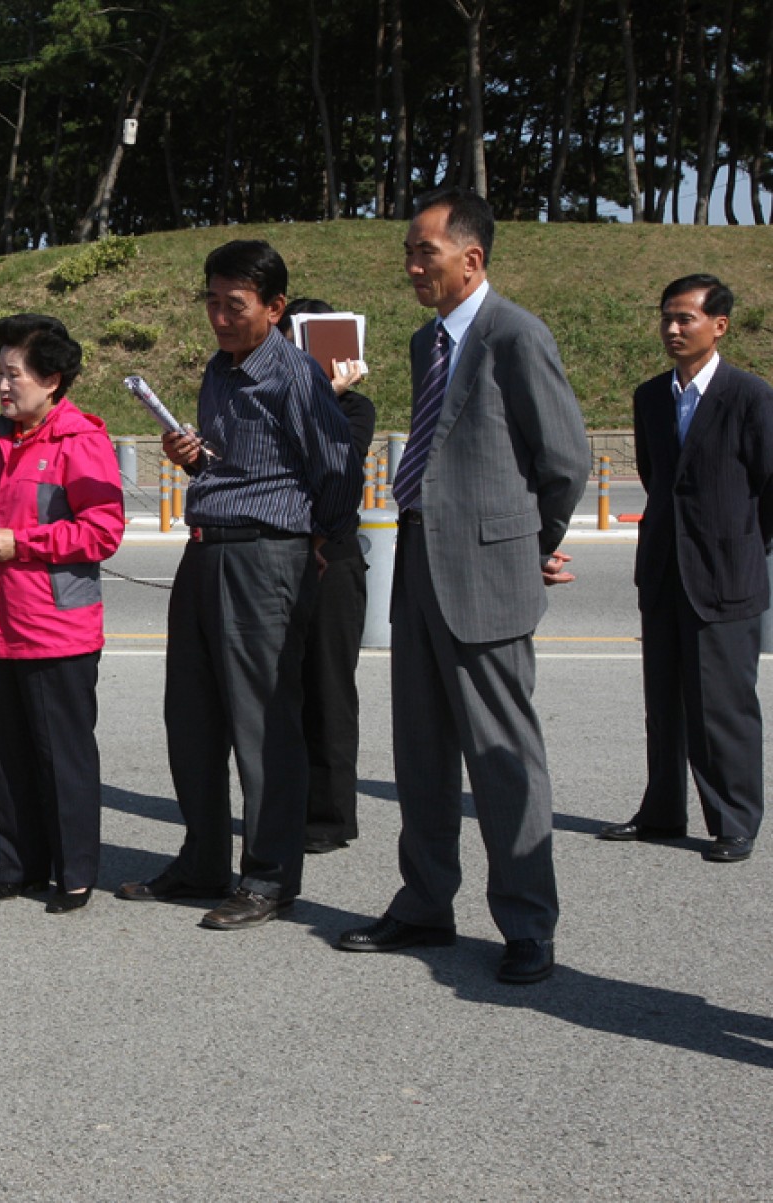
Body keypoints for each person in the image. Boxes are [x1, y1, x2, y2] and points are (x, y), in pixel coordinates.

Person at [336, 187, 588, 985]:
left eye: (425, 253)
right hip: (419, 564)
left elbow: (565, 461)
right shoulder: (426, 342)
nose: (412, 266)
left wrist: (527, 546)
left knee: (504, 757)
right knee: (420, 751)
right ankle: (425, 903)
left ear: (471, 258)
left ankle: (527, 922)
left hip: (487, 572)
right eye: (409, 253)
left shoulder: (516, 335)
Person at [115, 240, 359, 931]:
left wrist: (315, 545)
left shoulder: (295, 376)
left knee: (262, 724)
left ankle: (270, 875)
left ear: (276, 308)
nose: (220, 316)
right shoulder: (219, 372)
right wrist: (192, 460)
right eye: (212, 302)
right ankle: (201, 860)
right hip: (207, 550)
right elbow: (233, 466)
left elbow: (337, 470)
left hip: (264, 555)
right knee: (191, 716)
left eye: (236, 304)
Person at [0, 314, 124, 913]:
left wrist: (18, 544)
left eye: (13, 374)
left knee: (62, 757)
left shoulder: (81, 440)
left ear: (51, 379)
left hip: (56, 629)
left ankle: (74, 874)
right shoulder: (1, 439)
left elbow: (103, 530)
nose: (1, 385)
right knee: (11, 754)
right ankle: (20, 866)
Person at [600, 274, 773, 863]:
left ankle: (734, 820)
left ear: (718, 326)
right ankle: (662, 810)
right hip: (665, 570)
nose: (673, 329)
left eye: (686, 319)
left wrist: (741, 543)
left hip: (726, 573)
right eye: (666, 318)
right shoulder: (652, 396)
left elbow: (768, 487)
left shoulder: (750, 397)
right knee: (664, 702)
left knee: (722, 705)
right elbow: (655, 477)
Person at [277, 299, 378, 854]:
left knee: (329, 690)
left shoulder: (354, 409)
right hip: (275, 557)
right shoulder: (265, 402)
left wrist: (328, 398)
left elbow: (333, 463)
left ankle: (330, 816)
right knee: (278, 692)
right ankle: (285, 804)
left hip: (332, 561)